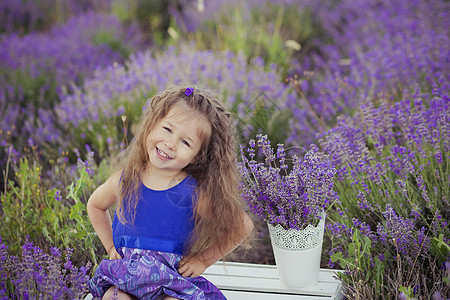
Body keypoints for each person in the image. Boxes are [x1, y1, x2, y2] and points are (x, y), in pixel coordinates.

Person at [87, 86, 254, 300]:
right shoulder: (125, 180)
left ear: (196, 156)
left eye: (185, 142)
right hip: (124, 280)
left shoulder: (193, 193)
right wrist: (110, 246)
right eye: (167, 129)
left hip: (171, 285)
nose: (170, 143)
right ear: (151, 125)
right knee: (113, 297)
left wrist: (202, 260)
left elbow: (241, 226)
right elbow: (95, 205)